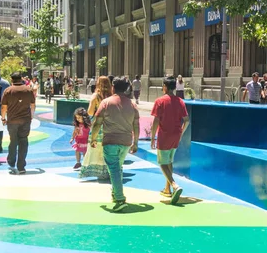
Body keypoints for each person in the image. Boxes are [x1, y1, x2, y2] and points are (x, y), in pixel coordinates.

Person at [90, 77, 140, 211]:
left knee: (114, 169)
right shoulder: (132, 104)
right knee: (118, 167)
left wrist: (92, 138)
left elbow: (97, 123)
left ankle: (119, 198)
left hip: (110, 141)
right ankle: (115, 193)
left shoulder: (106, 103)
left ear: (113, 87)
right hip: (126, 142)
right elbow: (136, 125)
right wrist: (135, 143)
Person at [151, 76, 190, 205]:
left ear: (165, 87)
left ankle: (174, 185)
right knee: (169, 161)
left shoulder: (160, 101)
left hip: (164, 135)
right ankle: (167, 189)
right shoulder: (180, 101)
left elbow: (156, 121)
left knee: (162, 162)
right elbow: (187, 120)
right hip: (176, 135)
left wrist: (152, 138)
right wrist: (181, 133)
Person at [1, 72, 36, 174]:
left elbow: (4, 107)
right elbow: (32, 105)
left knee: (13, 141)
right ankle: (21, 166)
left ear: (11, 80)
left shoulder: (8, 91)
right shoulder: (28, 90)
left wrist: (3, 118)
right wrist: (31, 116)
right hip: (25, 120)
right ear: (21, 79)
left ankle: (11, 162)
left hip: (12, 120)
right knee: (23, 141)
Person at [80, 76, 113, 180]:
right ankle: (107, 170)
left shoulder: (95, 96)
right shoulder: (112, 96)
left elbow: (89, 112)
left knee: (95, 148)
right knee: (107, 150)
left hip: (98, 125)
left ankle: (96, 170)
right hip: (110, 126)